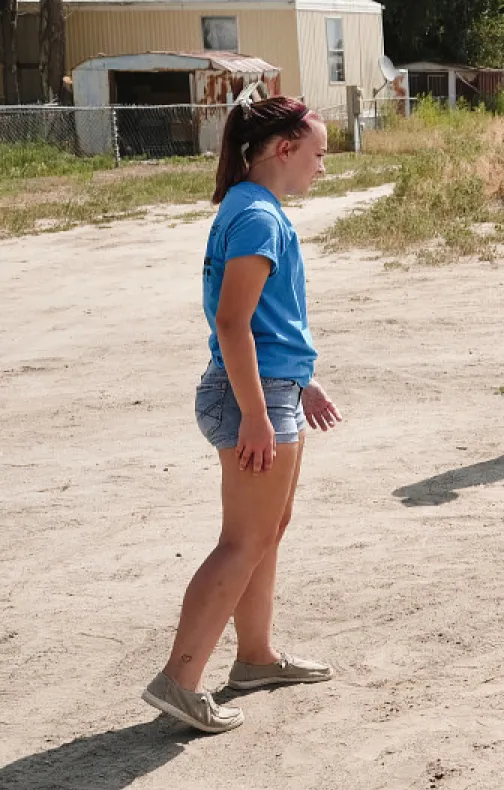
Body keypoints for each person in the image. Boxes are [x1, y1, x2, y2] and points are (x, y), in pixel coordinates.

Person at [144, 96, 343, 733]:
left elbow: (266, 321)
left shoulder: (253, 209)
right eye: (316, 153)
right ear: (283, 149)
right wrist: (257, 414)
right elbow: (231, 323)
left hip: (273, 388)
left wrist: (301, 383)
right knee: (243, 541)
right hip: (250, 395)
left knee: (268, 530)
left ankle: (255, 659)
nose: (321, 166)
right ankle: (180, 681)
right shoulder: (257, 216)